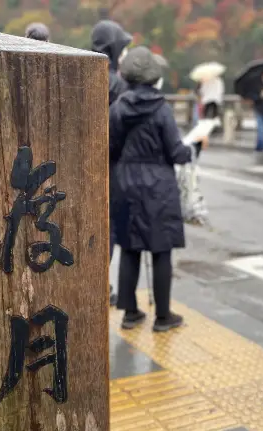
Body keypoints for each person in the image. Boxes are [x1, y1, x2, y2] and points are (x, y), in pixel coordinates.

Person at [109, 47, 200, 332]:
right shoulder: (162, 110)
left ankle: (130, 313)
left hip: (125, 183)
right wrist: (195, 147)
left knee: (129, 246)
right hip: (159, 184)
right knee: (161, 249)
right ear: (153, 77)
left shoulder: (118, 109)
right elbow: (177, 153)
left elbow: (110, 149)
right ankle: (163, 316)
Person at [91, 19, 132, 304]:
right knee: (109, 230)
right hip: (113, 166)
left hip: (85, 163)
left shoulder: (81, 72)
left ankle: (91, 283)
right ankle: (100, 286)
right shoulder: (118, 84)